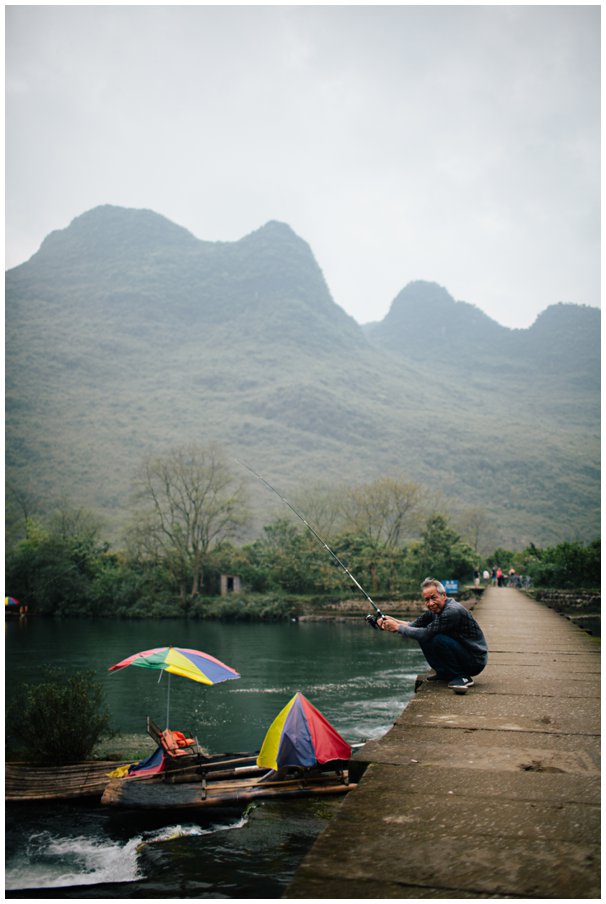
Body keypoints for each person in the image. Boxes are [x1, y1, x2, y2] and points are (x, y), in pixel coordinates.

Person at [379, 577, 488, 694]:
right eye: (427, 600)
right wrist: (391, 620)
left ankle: (462, 677)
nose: (430, 603)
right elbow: (413, 625)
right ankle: (443, 672)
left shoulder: (452, 611)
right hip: (462, 653)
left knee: (436, 638)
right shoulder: (434, 611)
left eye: (433, 598)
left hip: (475, 661)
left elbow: (425, 634)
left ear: (444, 596)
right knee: (422, 634)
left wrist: (397, 627)